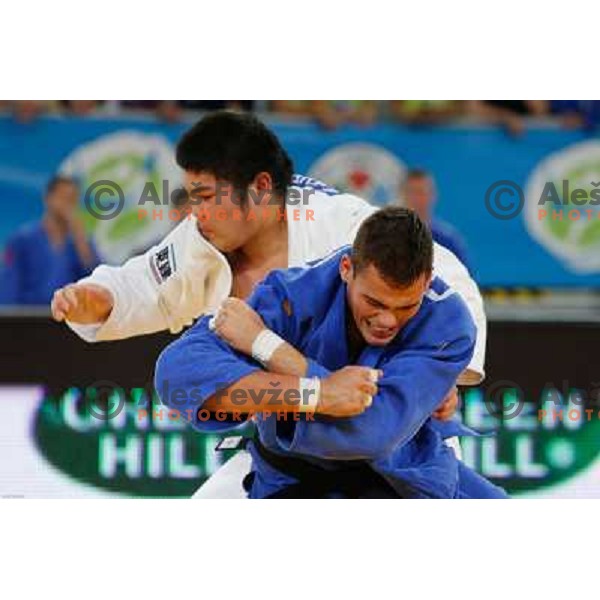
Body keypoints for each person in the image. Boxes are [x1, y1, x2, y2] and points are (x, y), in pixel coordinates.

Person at [50, 111, 486, 496]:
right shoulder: (202, 240)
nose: (196, 211)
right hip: (292, 451)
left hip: (401, 451)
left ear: (259, 188)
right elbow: (146, 284)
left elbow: (446, 280)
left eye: (206, 196)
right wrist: (98, 297)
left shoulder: (341, 223)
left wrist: (448, 373)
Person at [155, 207, 507, 498]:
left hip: (408, 477)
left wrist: (269, 348)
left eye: (405, 307)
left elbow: (372, 431)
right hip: (290, 479)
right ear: (346, 269)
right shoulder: (295, 293)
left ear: (427, 282)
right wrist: (315, 394)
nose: (387, 320)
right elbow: (177, 376)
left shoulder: (449, 323)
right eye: (374, 302)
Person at [0, 176, 100, 305]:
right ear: (48, 198)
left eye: (73, 199)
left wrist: (80, 239)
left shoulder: (81, 243)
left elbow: (96, 283)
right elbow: (9, 285)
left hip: (66, 314)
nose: (67, 204)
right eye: (63, 197)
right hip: (28, 314)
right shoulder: (23, 240)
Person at [400, 169, 472, 274]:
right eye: (412, 192)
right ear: (403, 194)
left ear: (433, 195)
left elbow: (464, 278)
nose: (417, 199)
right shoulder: (390, 237)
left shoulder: (448, 240)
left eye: (421, 192)